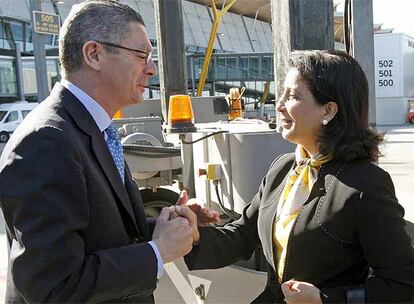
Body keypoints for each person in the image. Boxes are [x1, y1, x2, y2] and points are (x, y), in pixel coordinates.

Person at [0, 1, 218, 302]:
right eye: (143, 55)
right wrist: (156, 252)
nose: (152, 69)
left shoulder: (87, 127)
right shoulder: (47, 141)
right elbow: (53, 285)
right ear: (94, 54)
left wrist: (166, 225)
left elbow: (99, 234)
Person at [179, 50, 414, 303]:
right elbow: (244, 234)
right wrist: (195, 234)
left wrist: (325, 299)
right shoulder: (283, 168)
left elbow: (402, 284)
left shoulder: (365, 184)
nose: (279, 105)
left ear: (328, 111)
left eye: (292, 96)